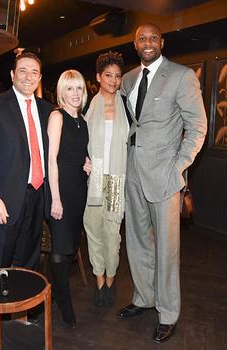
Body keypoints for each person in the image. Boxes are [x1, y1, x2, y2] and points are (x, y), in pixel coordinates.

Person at [116, 23, 207, 342]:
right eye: (142, 38)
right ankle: (144, 298)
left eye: (153, 37)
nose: (148, 42)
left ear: (162, 42)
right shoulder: (127, 80)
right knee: (137, 242)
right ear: (135, 44)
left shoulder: (181, 76)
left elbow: (198, 128)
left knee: (167, 249)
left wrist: (177, 168)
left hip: (165, 177)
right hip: (133, 174)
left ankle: (168, 313)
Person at [0, 52, 53, 270]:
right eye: (23, 71)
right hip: (5, 201)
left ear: (39, 78)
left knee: (29, 264)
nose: (29, 77)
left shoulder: (47, 110)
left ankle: (23, 305)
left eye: (34, 72)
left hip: (38, 198)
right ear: (12, 75)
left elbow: (56, 151)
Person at [83, 51, 129, 308]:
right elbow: (80, 142)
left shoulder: (127, 105)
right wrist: (84, 161)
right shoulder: (92, 106)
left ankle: (111, 281)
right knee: (93, 230)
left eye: (117, 76)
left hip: (116, 179)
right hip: (95, 178)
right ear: (99, 77)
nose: (113, 80)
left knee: (112, 233)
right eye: (108, 75)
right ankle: (99, 280)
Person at [47, 69, 89, 328]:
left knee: (71, 247)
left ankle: (55, 294)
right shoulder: (57, 116)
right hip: (60, 189)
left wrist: (88, 163)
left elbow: (78, 152)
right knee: (60, 251)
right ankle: (64, 303)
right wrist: (55, 199)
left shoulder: (82, 120)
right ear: (62, 92)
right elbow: (52, 160)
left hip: (78, 190)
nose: (75, 94)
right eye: (70, 89)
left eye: (79, 89)